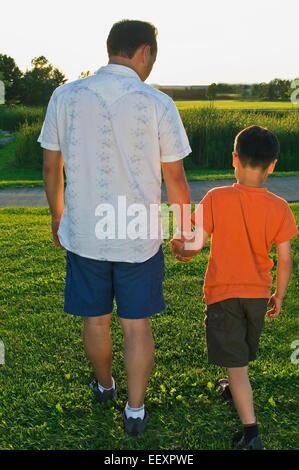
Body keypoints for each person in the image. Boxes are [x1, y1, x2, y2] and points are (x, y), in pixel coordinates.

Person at [38, 19, 191, 436]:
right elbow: (175, 179)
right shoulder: (157, 102)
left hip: (85, 231)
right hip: (139, 236)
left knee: (96, 320)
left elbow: (52, 165)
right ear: (144, 52)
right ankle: (135, 411)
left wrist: (58, 213)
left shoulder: (65, 95)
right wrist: (184, 229)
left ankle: (105, 385)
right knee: (137, 324)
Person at [171, 125, 298, 450]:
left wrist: (184, 249)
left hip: (224, 295)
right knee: (239, 353)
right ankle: (232, 383)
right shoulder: (280, 207)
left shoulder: (217, 197)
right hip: (257, 296)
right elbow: (285, 259)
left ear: (234, 159)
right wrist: (279, 294)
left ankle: (251, 433)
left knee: (238, 366)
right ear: (272, 165)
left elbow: (197, 241)